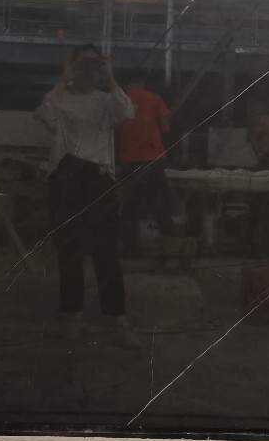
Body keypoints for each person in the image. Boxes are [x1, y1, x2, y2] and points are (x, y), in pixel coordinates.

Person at [35, 45, 138, 347]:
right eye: (84, 63)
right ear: (73, 65)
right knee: (70, 250)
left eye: (95, 64)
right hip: (66, 176)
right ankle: (72, 317)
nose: (89, 69)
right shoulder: (61, 98)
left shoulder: (105, 101)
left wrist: (111, 77)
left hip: (98, 178)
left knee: (106, 252)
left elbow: (127, 112)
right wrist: (64, 79)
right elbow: (43, 114)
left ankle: (117, 320)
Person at [118, 73, 176, 253]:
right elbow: (165, 128)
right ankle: (172, 244)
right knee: (160, 203)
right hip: (152, 158)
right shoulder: (154, 99)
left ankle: (128, 246)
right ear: (142, 82)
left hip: (129, 159)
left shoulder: (120, 101)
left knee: (129, 206)